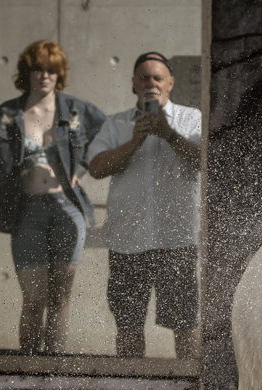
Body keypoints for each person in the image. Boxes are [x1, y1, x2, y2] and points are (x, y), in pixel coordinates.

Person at [0, 40, 105, 354]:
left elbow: (109, 136)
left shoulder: (76, 110)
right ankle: (28, 369)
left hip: (66, 212)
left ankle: (55, 370)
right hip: (26, 214)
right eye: (38, 69)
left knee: (60, 299)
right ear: (27, 73)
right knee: (34, 299)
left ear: (60, 75)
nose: (44, 76)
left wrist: (83, 166)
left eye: (51, 70)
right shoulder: (7, 115)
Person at [87, 51, 202, 358]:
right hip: (127, 242)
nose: (151, 83)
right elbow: (96, 167)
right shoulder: (116, 124)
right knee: (127, 324)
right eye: (144, 77)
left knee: (185, 323)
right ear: (133, 85)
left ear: (170, 83)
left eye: (158, 77)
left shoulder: (192, 119)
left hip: (176, 241)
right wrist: (133, 143)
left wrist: (170, 136)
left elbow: (205, 163)